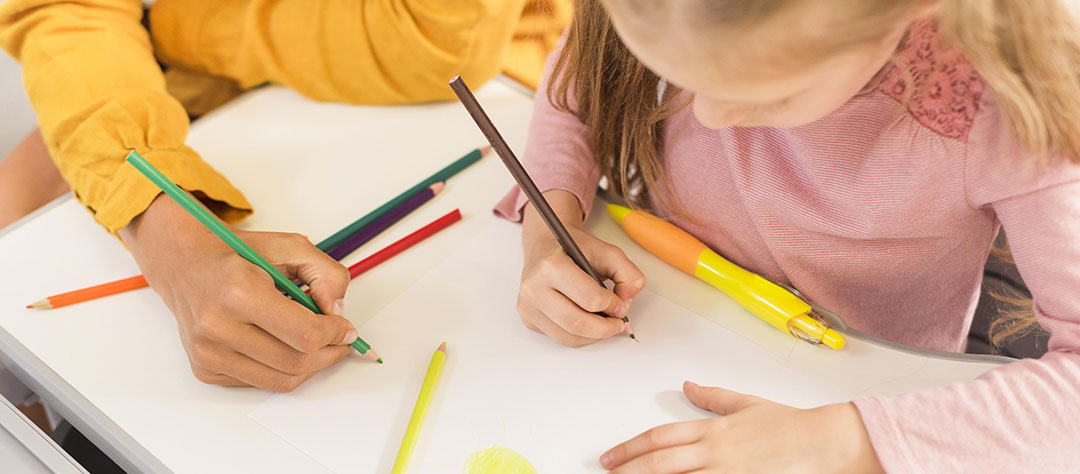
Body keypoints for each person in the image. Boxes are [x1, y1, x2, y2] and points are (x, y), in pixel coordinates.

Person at [496, 0, 1080, 471]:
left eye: (766, 93)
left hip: (855, 378)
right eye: (674, 76)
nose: (707, 118)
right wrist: (551, 219)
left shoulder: (1009, 102)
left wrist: (847, 442)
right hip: (671, 321)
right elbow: (576, 84)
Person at [0, 0, 569, 392]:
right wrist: (164, 230)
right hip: (172, 79)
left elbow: (430, 48)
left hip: (487, 84)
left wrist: (172, 24)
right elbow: (67, 14)